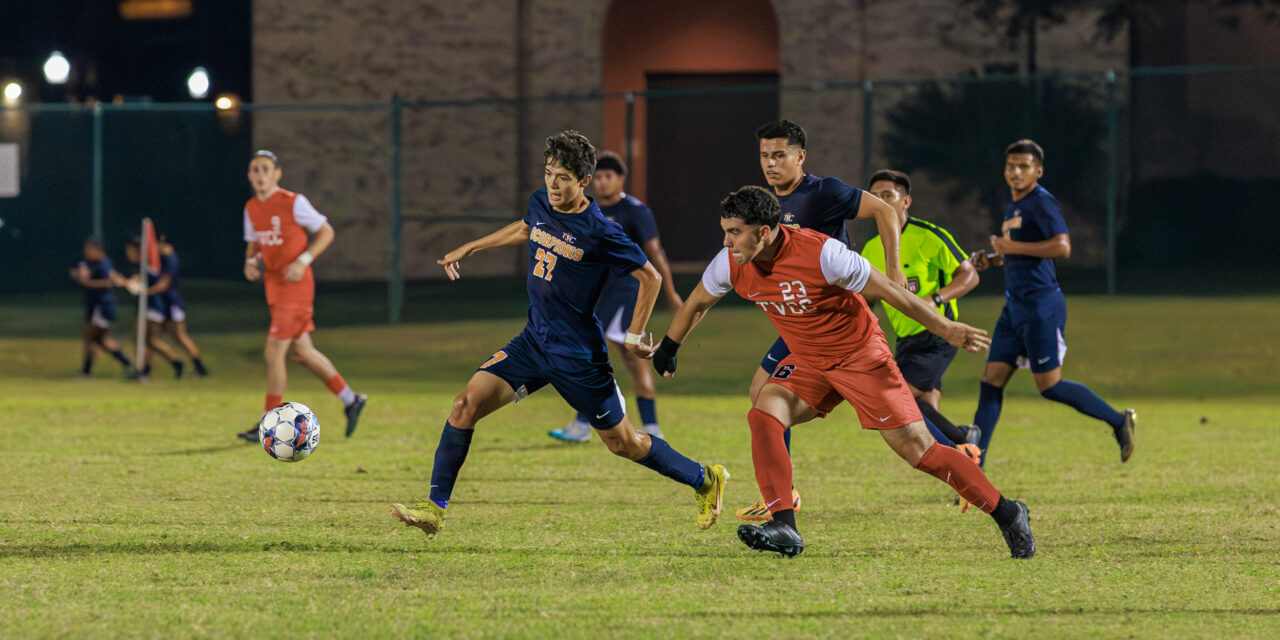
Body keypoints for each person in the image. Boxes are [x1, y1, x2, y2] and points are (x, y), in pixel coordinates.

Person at [651, 185, 1034, 559]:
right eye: (725, 232)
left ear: (763, 233)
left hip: (861, 357)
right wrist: (670, 345)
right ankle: (785, 525)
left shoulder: (823, 254)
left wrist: (944, 327)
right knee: (765, 412)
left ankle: (1008, 512)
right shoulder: (732, 263)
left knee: (922, 452)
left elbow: (890, 291)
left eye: (734, 233)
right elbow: (698, 302)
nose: (726, 243)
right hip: (809, 360)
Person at [389, 131, 728, 540]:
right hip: (533, 343)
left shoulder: (600, 231)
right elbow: (525, 228)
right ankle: (434, 509)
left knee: (624, 444)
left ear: (583, 182)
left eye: (563, 177)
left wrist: (636, 334)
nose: (552, 183)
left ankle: (704, 479)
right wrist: (471, 248)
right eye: (548, 173)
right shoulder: (540, 202)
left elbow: (650, 276)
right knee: (464, 404)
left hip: (578, 356)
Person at [735, 120, 908, 523]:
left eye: (780, 154)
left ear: (800, 156)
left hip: (832, 319)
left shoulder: (823, 191)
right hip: (799, 319)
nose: (771, 163)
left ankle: (783, 495)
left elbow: (883, 211)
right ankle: (783, 494)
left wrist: (894, 271)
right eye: (764, 155)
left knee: (897, 425)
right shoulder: (765, 203)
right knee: (762, 393)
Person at [968, 140, 1136, 464]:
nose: (1015, 172)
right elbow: (1019, 251)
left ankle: (1118, 420)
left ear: (1038, 171)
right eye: (1011, 166)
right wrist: (993, 259)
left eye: (1024, 166)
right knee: (991, 380)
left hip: (1040, 306)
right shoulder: (1013, 206)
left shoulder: (1041, 203)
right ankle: (975, 464)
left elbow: (1062, 247)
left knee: (1049, 386)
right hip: (1014, 306)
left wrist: (1011, 249)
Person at [548, 151, 683, 442]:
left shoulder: (635, 211)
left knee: (613, 355)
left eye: (608, 176)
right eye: (597, 176)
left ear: (620, 179)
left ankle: (640, 426)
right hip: (600, 293)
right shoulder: (588, 209)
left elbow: (655, 253)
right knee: (603, 355)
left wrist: (670, 294)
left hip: (626, 294)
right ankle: (596, 424)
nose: (602, 181)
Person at [236, 149, 367, 441]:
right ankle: (350, 399)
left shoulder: (293, 202)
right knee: (303, 353)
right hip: (274, 285)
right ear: (249, 175)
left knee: (274, 351)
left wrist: (303, 260)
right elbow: (255, 243)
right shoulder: (251, 207)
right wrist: (250, 262)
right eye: (255, 169)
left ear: (277, 174)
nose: (260, 175)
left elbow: (326, 232)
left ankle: (267, 424)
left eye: (265, 169)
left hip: (295, 286)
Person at [860, 169, 980, 448]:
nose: (880, 202)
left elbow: (970, 275)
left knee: (899, 401)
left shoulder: (929, 236)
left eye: (887, 196)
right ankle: (963, 454)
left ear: (906, 202)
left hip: (937, 335)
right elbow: (868, 300)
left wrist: (935, 300)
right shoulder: (870, 249)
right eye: (874, 197)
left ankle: (965, 438)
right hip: (905, 341)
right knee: (924, 417)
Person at [69, 238, 133, 376]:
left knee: (90, 338)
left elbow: (109, 283)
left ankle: (86, 370)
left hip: (100, 305)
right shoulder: (97, 262)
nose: (86, 253)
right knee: (100, 339)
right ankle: (126, 362)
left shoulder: (103, 263)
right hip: (98, 304)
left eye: (88, 250)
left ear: (97, 250)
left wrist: (87, 282)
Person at [124, 238, 185, 380]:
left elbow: (156, 284)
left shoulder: (149, 265)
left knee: (145, 339)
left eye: (130, 251)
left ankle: (170, 363)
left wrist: (142, 290)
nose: (129, 254)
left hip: (153, 307)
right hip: (152, 307)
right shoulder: (144, 265)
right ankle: (146, 369)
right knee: (147, 340)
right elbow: (137, 282)